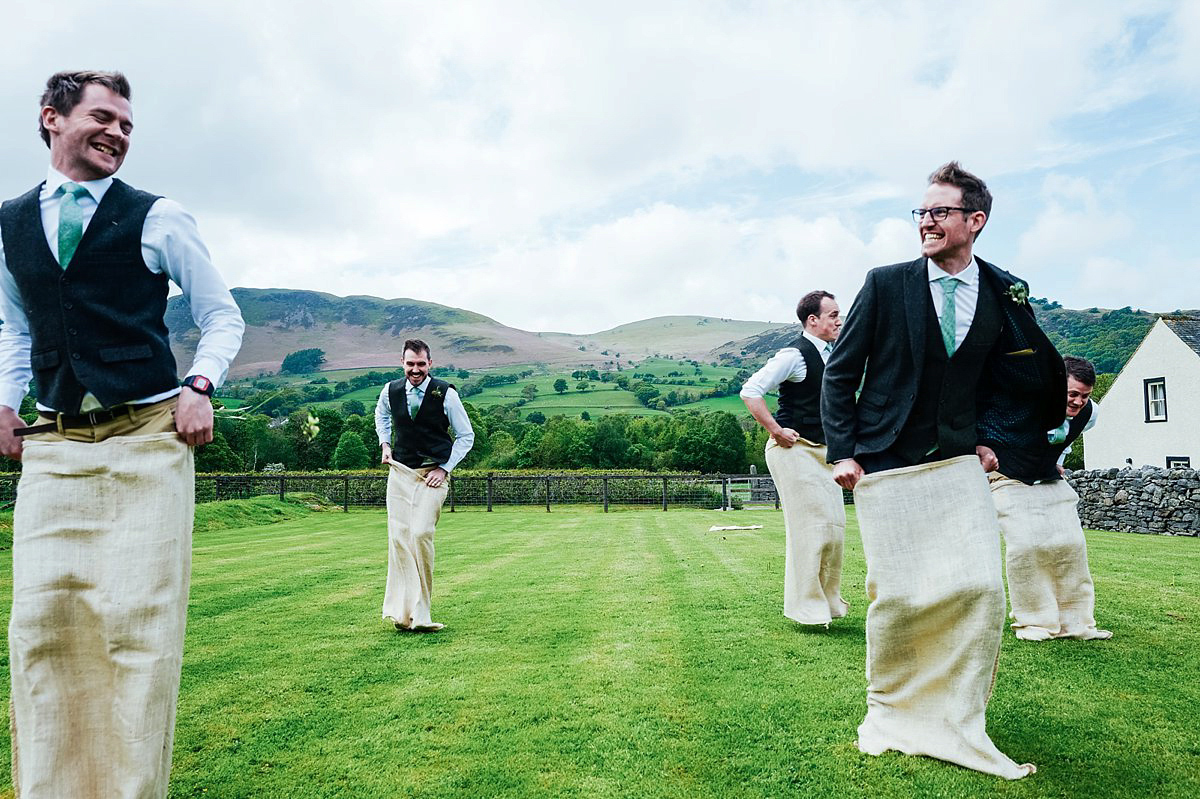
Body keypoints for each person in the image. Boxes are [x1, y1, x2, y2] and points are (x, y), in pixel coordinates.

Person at [0, 70, 244, 798]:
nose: (119, 133)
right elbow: (15, 326)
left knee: (137, 636)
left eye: (128, 125)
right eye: (104, 117)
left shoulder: (159, 215)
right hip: (55, 445)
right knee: (41, 631)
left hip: (147, 440)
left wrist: (201, 386)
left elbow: (221, 314)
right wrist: (6, 403)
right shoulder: (9, 224)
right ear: (52, 118)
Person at [822, 161, 1062, 779]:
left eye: (939, 212)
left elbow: (1011, 378)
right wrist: (843, 451)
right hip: (885, 456)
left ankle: (957, 714)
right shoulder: (885, 282)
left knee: (978, 588)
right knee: (901, 594)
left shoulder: (1004, 291)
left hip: (958, 460)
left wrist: (992, 441)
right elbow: (841, 373)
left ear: (974, 221)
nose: (926, 221)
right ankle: (896, 707)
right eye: (921, 212)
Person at [980, 355, 1111, 641]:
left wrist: (1058, 459)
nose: (1078, 402)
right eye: (1072, 394)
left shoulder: (1091, 413)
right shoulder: (1024, 404)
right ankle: (1035, 623)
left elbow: (1068, 437)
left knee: (1071, 544)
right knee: (1027, 545)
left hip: (1048, 475)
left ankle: (1077, 623)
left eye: (1085, 396)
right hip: (1007, 476)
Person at [740, 290, 849, 626]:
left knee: (835, 530)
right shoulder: (794, 355)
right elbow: (750, 391)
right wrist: (775, 429)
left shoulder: (834, 355)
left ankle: (829, 603)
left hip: (824, 452)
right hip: (793, 450)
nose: (839, 320)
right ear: (812, 320)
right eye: (832, 315)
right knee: (812, 530)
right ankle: (807, 608)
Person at [374, 339, 474, 632]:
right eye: (410, 364)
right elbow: (380, 415)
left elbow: (466, 436)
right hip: (401, 473)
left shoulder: (446, 394)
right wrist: (385, 443)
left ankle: (424, 612)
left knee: (420, 534)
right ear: (402, 362)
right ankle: (403, 615)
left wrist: (444, 469)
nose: (415, 370)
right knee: (399, 540)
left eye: (420, 364)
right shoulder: (390, 391)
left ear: (430, 363)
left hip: (432, 476)